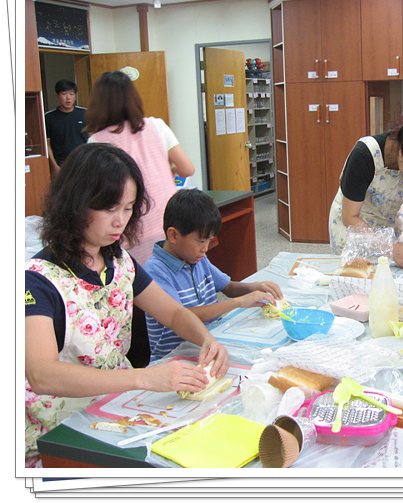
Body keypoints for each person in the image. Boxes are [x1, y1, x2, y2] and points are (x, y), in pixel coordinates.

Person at [24, 143, 229, 468]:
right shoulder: (37, 281)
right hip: (58, 430)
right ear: (75, 204)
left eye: (128, 208)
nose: (120, 221)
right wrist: (144, 378)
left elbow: (173, 312)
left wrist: (207, 340)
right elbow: (42, 375)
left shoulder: (119, 260)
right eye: (109, 209)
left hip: (116, 404)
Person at [144, 189, 283, 362]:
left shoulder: (197, 259)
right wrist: (237, 303)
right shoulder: (155, 270)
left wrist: (254, 287)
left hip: (211, 344)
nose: (206, 248)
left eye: (209, 240)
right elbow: (181, 316)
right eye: (201, 241)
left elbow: (228, 286)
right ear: (173, 235)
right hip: (176, 358)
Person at [85, 70, 195, 265]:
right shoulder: (156, 125)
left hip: (131, 230)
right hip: (171, 222)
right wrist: (168, 170)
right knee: (175, 279)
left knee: (144, 288)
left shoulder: (96, 141)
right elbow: (187, 169)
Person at [328, 112, 403, 268]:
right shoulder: (365, 155)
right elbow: (350, 217)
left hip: (390, 224)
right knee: (357, 278)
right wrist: (389, 247)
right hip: (355, 226)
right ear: (402, 154)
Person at [44, 79, 87, 174]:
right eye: (64, 94)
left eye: (71, 94)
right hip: (62, 164)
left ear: (75, 96)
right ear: (57, 96)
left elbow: (93, 138)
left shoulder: (85, 113)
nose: (68, 98)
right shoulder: (49, 117)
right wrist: (54, 166)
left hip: (84, 162)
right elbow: (47, 145)